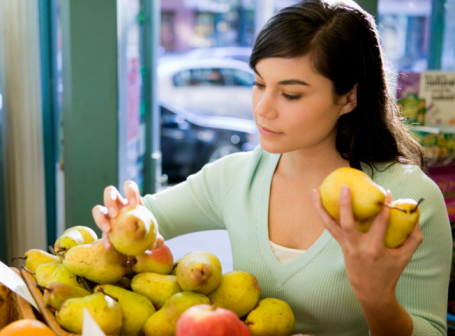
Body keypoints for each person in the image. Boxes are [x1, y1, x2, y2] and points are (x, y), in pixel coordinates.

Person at [93, 1, 452, 335]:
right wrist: (122, 216)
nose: (263, 108)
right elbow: (148, 217)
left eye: (290, 94)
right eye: (259, 84)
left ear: (348, 97)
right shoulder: (235, 177)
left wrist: (378, 300)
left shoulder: (408, 200)